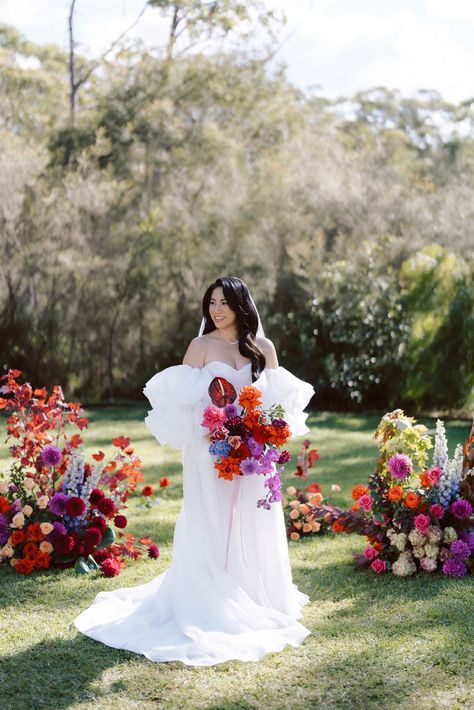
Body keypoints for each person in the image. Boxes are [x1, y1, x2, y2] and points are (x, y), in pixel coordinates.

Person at [74, 276, 315, 666]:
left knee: (254, 519)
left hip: (253, 454)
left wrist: (258, 432)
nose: (216, 310)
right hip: (209, 451)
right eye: (211, 303)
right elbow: (183, 406)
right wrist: (216, 428)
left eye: (223, 303)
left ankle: (254, 589)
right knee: (210, 519)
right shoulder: (200, 347)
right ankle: (210, 595)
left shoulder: (262, 348)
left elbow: (277, 405)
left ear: (241, 305)